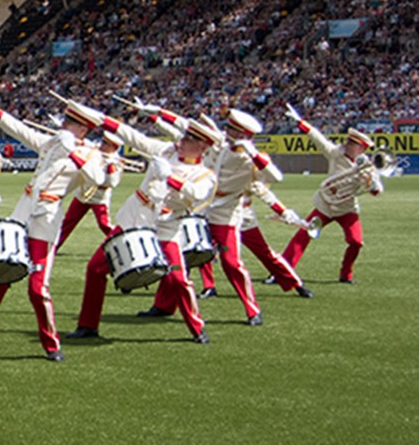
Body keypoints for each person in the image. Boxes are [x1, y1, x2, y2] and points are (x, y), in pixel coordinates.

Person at [0, 93, 104, 363]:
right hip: (23, 215)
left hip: (46, 220)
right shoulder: (51, 143)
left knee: (37, 288)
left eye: (71, 123)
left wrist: (73, 152)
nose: (64, 126)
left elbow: (97, 179)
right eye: (65, 120)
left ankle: (51, 344)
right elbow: (18, 128)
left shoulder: (90, 154)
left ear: (84, 129)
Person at [66, 111, 218, 344]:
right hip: (134, 218)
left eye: (189, 140)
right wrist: (103, 120)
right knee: (95, 268)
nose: (181, 142)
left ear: (202, 147)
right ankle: (87, 324)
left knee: (178, 279)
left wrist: (169, 177)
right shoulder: (165, 151)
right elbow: (134, 137)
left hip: (166, 228)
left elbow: (196, 195)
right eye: (184, 136)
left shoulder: (205, 175)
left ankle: (196, 327)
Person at [144, 108, 281, 323]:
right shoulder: (220, 145)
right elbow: (185, 123)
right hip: (202, 208)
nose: (228, 135)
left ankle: (252, 309)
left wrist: (252, 152)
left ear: (245, 136)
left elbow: (276, 176)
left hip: (225, 214)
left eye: (234, 133)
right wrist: (158, 112)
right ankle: (163, 305)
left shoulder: (252, 159)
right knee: (181, 257)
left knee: (231, 262)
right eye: (228, 129)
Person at [280, 108, 383, 284]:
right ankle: (282, 271)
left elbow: (375, 191)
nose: (347, 144)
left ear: (361, 148)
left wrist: (372, 183)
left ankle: (346, 275)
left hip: (347, 208)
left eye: (352, 143)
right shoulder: (336, 153)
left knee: (356, 242)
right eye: (348, 141)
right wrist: (300, 122)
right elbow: (318, 139)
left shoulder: (367, 166)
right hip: (325, 205)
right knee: (304, 234)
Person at [55, 131, 124, 253]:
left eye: (106, 144)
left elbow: (112, 183)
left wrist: (110, 168)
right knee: (68, 222)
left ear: (113, 147)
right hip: (83, 193)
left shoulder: (116, 162)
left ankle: (121, 244)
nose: (102, 145)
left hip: (99, 196)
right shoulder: (96, 152)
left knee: (104, 224)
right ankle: (54, 247)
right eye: (103, 142)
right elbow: (86, 145)